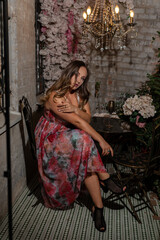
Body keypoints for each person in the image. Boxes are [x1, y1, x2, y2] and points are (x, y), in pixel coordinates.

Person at [34, 60, 125, 232]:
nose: (78, 81)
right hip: (50, 140)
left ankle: (98, 208)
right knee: (84, 139)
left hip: (69, 136)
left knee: (86, 150)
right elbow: (78, 122)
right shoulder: (56, 95)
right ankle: (106, 179)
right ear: (69, 72)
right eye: (76, 75)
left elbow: (87, 118)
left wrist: (76, 109)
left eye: (83, 78)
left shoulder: (79, 95)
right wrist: (101, 139)